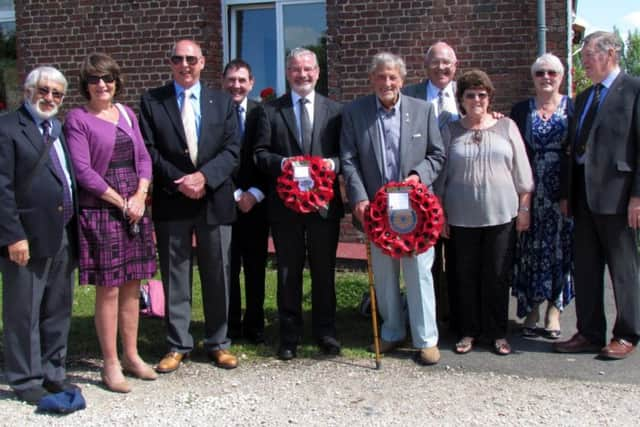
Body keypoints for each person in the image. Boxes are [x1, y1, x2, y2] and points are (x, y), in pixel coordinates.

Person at [140, 39, 241, 371]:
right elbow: (149, 150)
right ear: (170, 63)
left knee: (218, 274)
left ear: (203, 62)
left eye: (191, 59)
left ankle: (218, 342)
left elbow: (232, 149)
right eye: (178, 59)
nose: (185, 65)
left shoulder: (222, 101)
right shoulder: (153, 101)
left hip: (214, 199)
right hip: (173, 199)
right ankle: (177, 344)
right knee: (175, 275)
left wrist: (204, 178)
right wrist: (181, 181)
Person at [341, 52, 445, 365]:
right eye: (381, 76)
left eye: (392, 77)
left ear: (401, 80)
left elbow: (437, 155)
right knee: (385, 275)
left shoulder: (423, 110)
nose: (387, 82)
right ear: (372, 79)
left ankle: (426, 339)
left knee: (418, 273)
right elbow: (349, 158)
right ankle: (391, 331)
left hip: (415, 210)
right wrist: (358, 197)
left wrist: (417, 177)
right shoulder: (355, 112)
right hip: (376, 209)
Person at [64, 53, 158, 393]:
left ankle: (132, 356)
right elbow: (84, 172)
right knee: (110, 288)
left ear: (117, 81)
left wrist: (140, 195)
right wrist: (122, 202)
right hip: (103, 210)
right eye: (94, 80)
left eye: (108, 78)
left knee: (134, 283)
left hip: (134, 206)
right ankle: (110, 364)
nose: (102, 85)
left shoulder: (127, 113)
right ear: (85, 86)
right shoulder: (77, 119)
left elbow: (144, 158)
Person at [555, 31, 640, 359]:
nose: (584, 60)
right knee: (587, 269)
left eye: (589, 54)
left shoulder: (633, 89)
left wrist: (637, 196)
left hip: (618, 198)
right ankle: (589, 332)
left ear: (610, 53)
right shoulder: (584, 96)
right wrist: (567, 193)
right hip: (584, 198)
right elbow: (571, 149)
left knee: (623, 269)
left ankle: (627, 333)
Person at [254, 47, 343, 360]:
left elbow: (346, 155)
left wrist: (331, 164)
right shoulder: (269, 111)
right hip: (285, 207)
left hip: (323, 207)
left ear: (318, 72)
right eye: (295, 69)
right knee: (289, 272)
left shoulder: (335, 110)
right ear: (287, 73)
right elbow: (260, 154)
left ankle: (326, 332)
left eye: (308, 69)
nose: (302, 75)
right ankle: (289, 335)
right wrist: (283, 164)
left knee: (323, 271)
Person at [438, 69, 534, 356]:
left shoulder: (507, 127)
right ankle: (467, 331)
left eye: (482, 94)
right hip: (460, 216)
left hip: (502, 215)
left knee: (496, 274)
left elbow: (523, 173)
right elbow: (440, 175)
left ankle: (496, 332)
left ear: (490, 97)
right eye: (470, 95)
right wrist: (440, 214)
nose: (477, 99)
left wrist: (524, 208)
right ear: (461, 100)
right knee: (463, 275)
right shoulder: (450, 131)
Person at [0, 66, 79, 404]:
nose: (50, 98)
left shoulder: (57, 129)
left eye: (57, 94)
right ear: (28, 90)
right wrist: (12, 235)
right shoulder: (6, 128)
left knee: (57, 306)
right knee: (24, 309)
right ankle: (25, 377)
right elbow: (1, 188)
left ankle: (52, 371)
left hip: (61, 231)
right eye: (44, 90)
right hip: (25, 236)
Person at [510, 53, 574, 340]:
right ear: (533, 78)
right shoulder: (521, 109)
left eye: (552, 73)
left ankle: (554, 310)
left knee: (561, 251)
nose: (546, 77)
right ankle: (533, 308)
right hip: (529, 193)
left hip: (562, 194)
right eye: (540, 73)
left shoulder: (573, 107)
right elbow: (511, 145)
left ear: (560, 77)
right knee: (530, 252)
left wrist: (571, 194)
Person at [402, 41, 459, 331]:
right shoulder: (408, 95)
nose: (441, 68)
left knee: (460, 258)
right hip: (420, 190)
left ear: (455, 66)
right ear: (425, 67)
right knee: (426, 261)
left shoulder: (467, 95)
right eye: (435, 62)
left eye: (446, 62)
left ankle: (458, 318)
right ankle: (428, 319)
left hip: (459, 190)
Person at [223, 59, 269, 344]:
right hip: (224, 201)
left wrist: (255, 193)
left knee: (256, 266)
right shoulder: (214, 112)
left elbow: (268, 155)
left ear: (251, 83)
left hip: (257, 202)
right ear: (223, 82)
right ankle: (230, 325)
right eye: (231, 80)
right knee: (228, 266)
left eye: (242, 80)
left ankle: (255, 324)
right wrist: (234, 194)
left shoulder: (262, 113)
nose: (236, 85)